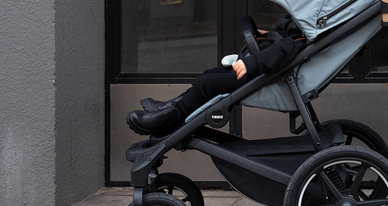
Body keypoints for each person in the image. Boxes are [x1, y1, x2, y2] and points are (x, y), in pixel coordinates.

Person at [125, 15, 304, 137]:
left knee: (208, 83)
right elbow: (283, 40)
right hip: (263, 72)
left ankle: (171, 118)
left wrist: (252, 63)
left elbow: (283, 50)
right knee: (210, 75)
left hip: (262, 76)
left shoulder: (303, 35)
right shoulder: (304, 26)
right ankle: (170, 107)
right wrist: (266, 36)